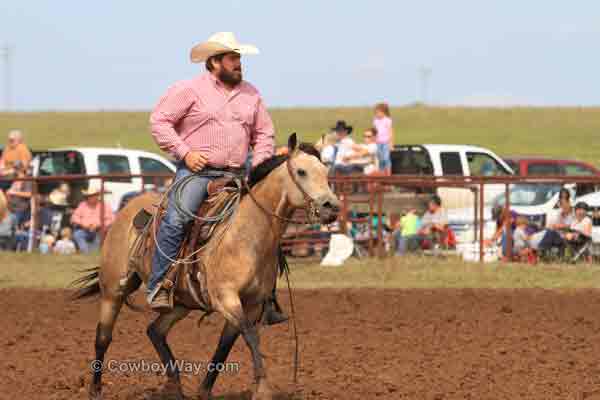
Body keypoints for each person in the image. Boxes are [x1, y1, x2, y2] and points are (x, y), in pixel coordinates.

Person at [147, 31, 286, 323]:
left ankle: (267, 295)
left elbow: (264, 134)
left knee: (266, 224)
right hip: (197, 172)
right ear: (214, 62)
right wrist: (185, 153)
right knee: (177, 218)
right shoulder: (189, 89)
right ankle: (159, 284)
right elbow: (159, 121)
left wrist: (259, 170)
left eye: (239, 58)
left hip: (238, 174)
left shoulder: (251, 93)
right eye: (232, 58)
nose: (238, 64)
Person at [71, 187, 114, 253]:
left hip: (99, 230)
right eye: (90, 196)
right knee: (77, 234)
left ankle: (93, 253)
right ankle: (85, 252)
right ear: (87, 197)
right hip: (84, 229)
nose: (92, 197)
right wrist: (84, 224)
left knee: (100, 236)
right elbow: (74, 217)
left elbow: (111, 219)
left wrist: (98, 225)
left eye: (94, 195)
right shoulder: (82, 205)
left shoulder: (105, 205)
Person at [373, 103, 394, 174]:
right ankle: (381, 174)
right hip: (378, 142)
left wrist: (391, 144)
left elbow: (390, 132)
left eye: (378, 112)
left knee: (386, 158)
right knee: (380, 159)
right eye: (376, 113)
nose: (377, 114)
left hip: (386, 143)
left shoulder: (388, 120)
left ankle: (388, 173)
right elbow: (374, 132)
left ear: (383, 112)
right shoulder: (375, 121)